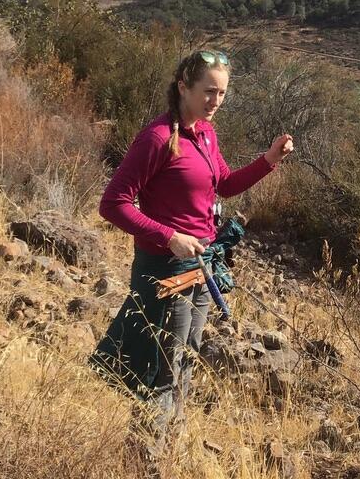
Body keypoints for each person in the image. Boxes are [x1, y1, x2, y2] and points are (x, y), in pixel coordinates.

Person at [90, 48, 294, 462]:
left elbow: (223, 184)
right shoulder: (158, 139)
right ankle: (145, 458)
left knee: (187, 358)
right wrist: (168, 236)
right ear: (183, 86)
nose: (215, 101)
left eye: (222, 93)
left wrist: (269, 160)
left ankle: (167, 449)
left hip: (202, 268)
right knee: (163, 367)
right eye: (208, 91)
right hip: (166, 268)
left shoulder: (204, 133)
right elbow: (113, 203)